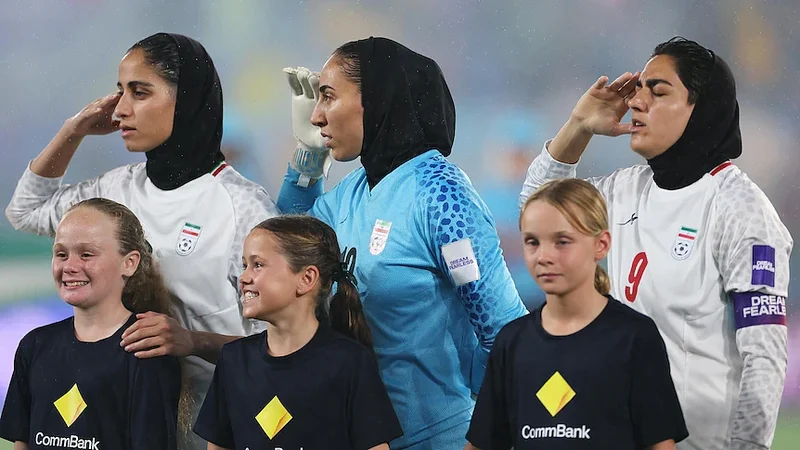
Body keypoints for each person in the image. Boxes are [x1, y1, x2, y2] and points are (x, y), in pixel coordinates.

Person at [4, 32, 279, 449]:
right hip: (123, 431)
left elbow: (284, 347)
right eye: (120, 92)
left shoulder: (244, 208)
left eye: (140, 92)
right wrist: (73, 130)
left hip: (221, 433)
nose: (120, 110)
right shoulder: (115, 190)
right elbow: (25, 211)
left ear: (185, 100)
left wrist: (194, 342)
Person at [518, 37, 792, 450]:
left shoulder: (739, 209)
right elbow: (537, 208)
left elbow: (764, 356)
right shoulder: (624, 191)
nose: (635, 102)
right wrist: (578, 125)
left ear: (701, 108)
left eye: (658, 92)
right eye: (637, 90)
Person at [277, 37, 528, 449]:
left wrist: (486, 436)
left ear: (376, 99)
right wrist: (308, 157)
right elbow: (286, 250)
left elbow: (505, 332)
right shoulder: (351, 193)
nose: (317, 115)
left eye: (329, 97)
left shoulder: (441, 196)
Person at [465, 179, 688, 450]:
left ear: (601, 244)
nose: (544, 256)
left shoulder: (634, 338)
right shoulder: (512, 342)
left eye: (562, 242)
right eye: (532, 242)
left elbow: (660, 444)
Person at [193, 215, 402, 450]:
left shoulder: (349, 363)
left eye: (258, 265)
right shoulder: (234, 360)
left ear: (306, 278)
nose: (243, 277)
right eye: (244, 265)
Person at [0, 198, 184, 450]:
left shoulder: (145, 348)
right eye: (61, 254)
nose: (70, 266)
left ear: (129, 263)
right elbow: (22, 442)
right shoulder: (35, 345)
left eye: (86, 254)